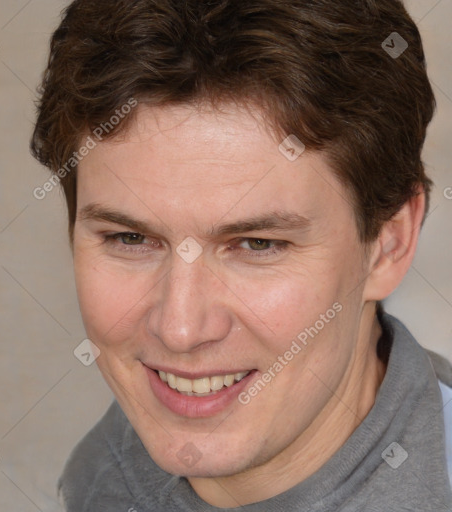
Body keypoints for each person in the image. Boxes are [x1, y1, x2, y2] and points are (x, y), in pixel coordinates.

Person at [30, 0, 452, 510]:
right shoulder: (92, 477)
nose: (180, 329)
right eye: (130, 239)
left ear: (389, 244)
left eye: (257, 245)